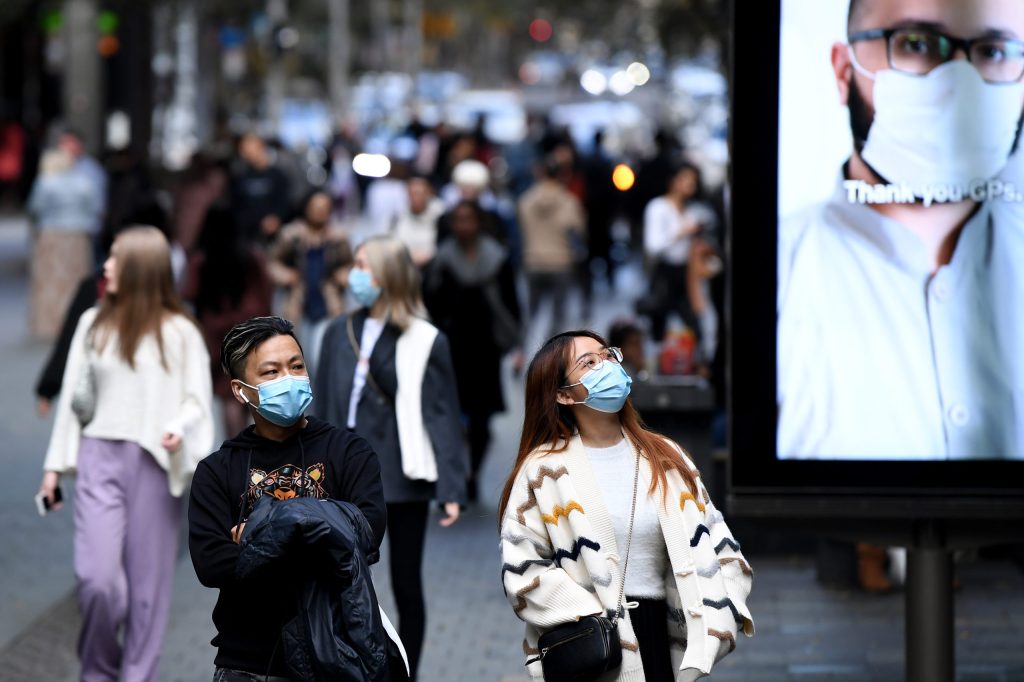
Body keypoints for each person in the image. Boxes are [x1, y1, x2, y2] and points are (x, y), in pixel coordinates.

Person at [778, 0, 1024, 460]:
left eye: (993, 52)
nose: (960, 84)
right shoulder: (777, 272)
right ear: (843, 70)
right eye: (916, 44)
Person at [498, 331, 754, 681]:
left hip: (665, 640)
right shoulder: (544, 471)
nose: (605, 366)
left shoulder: (666, 456)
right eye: (588, 363)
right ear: (563, 394)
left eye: (607, 356)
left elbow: (722, 549)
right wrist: (594, 616)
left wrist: (711, 636)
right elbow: (522, 571)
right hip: (593, 647)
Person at [38, 226, 215, 682]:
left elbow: (198, 402)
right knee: (97, 582)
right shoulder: (92, 324)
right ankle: (97, 671)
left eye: (115, 259)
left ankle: (138, 676)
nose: (106, 267)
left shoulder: (181, 333)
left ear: (141, 268)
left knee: (146, 596)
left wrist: (177, 429)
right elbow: (75, 404)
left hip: (155, 465)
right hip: (98, 458)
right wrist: (53, 468)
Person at [188, 316, 389, 681]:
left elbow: (366, 532)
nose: (289, 378)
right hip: (247, 662)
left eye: (296, 366)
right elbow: (211, 563)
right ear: (240, 390)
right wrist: (325, 530)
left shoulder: (349, 452)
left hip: (339, 655)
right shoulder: (217, 470)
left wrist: (260, 534)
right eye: (271, 371)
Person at [315, 235, 468, 681]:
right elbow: (322, 405)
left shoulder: (424, 339)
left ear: (387, 275)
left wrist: (451, 488)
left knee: (405, 584)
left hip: (402, 477)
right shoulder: (337, 331)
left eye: (364, 265)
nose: (354, 275)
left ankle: (408, 674)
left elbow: (441, 414)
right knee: (339, 582)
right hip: (341, 478)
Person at [424, 200, 522, 502]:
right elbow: (430, 302)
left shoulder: (497, 258)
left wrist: (516, 345)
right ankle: (452, 477)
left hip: (485, 349)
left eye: (469, 219)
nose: (463, 226)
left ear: (479, 223)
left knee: (481, 418)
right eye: (458, 220)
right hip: (451, 348)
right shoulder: (442, 259)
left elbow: (512, 304)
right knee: (449, 417)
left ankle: (474, 475)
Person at [183, 204, 274, 437]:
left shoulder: (201, 261)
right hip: (250, 332)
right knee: (251, 392)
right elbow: (265, 295)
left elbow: (189, 294)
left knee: (229, 398)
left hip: (216, 336)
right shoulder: (252, 258)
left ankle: (236, 452)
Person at [268, 189, 353, 377]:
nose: (320, 212)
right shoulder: (291, 235)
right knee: (297, 358)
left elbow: (350, 264)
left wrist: (342, 275)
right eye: (316, 207)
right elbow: (273, 263)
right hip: (298, 304)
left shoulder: (338, 237)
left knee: (320, 358)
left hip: (328, 304)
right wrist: (286, 275)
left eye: (324, 208)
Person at [26, 147, 104, 339]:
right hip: (78, 236)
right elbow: (96, 207)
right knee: (75, 279)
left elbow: (35, 207)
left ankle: (48, 324)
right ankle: (75, 320)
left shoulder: (46, 183)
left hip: (51, 234)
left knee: (50, 282)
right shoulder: (84, 183)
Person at [642, 161, 717, 344]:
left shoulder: (694, 209)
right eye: (685, 178)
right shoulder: (658, 207)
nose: (690, 183)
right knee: (659, 329)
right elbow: (653, 245)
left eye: (693, 179)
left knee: (695, 326)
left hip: (687, 274)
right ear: (673, 181)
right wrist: (681, 232)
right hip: (664, 274)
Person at [518, 159, 586, 335]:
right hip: (560, 261)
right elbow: (578, 232)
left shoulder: (526, 200)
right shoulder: (569, 202)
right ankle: (552, 357)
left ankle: (521, 351)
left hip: (533, 260)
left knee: (530, 312)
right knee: (558, 315)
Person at [231, 132, 292, 244]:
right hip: (249, 239)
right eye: (243, 150)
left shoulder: (278, 175)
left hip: (274, 238)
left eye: (249, 149)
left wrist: (276, 219)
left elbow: (286, 203)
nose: (245, 154)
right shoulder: (240, 178)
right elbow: (237, 207)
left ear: (261, 147)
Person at [391, 176, 445, 267]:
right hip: (403, 264)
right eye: (412, 193)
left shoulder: (440, 213)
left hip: (433, 265)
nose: (415, 197)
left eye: (419, 193)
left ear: (429, 193)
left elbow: (444, 244)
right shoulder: (398, 214)